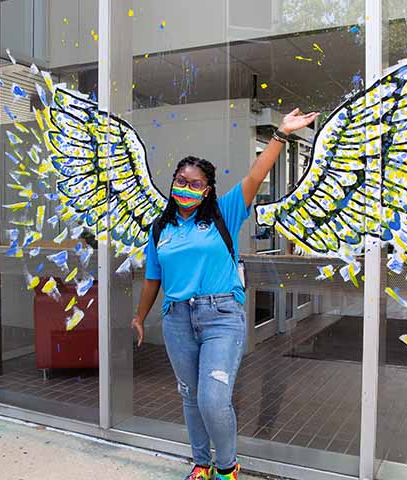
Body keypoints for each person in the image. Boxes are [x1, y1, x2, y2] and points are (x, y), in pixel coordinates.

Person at [131, 108, 318, 480]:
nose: (186, 187)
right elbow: (154, 277)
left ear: (208, 189)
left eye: (195, 183)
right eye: (181, 180)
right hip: (177, 318)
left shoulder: (224, 213)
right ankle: (201, 463)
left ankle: (227, 467)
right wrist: (140, 317)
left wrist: (280, 135)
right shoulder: (159, 228)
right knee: (189, 396)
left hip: (221, 316)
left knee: (212, 399)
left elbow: (255, 175)